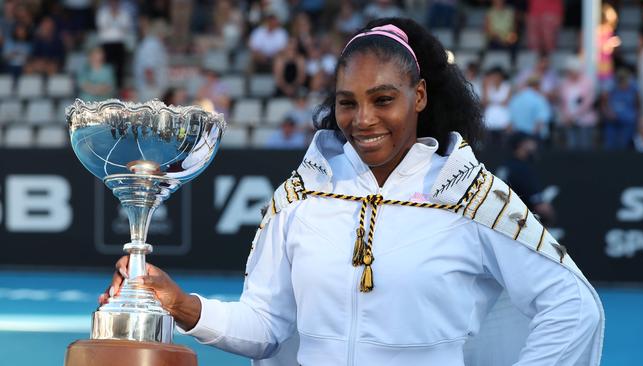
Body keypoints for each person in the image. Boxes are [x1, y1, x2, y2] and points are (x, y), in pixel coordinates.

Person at [100, 18, 603, 366]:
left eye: (383, 99)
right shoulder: (303, 196)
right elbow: (267, 326)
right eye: (347, 103)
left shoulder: (469, 194)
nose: (363, 120)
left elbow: (574, 308)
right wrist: (183, 304)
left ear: (419, 96)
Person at [500, 132, 555, 226]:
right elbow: (541, 207)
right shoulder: (522, 170)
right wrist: (550, 216)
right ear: (521, 144)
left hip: (502, 221)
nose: (534, 145)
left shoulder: (506, 166)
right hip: (519, 225)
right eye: (530, 141)